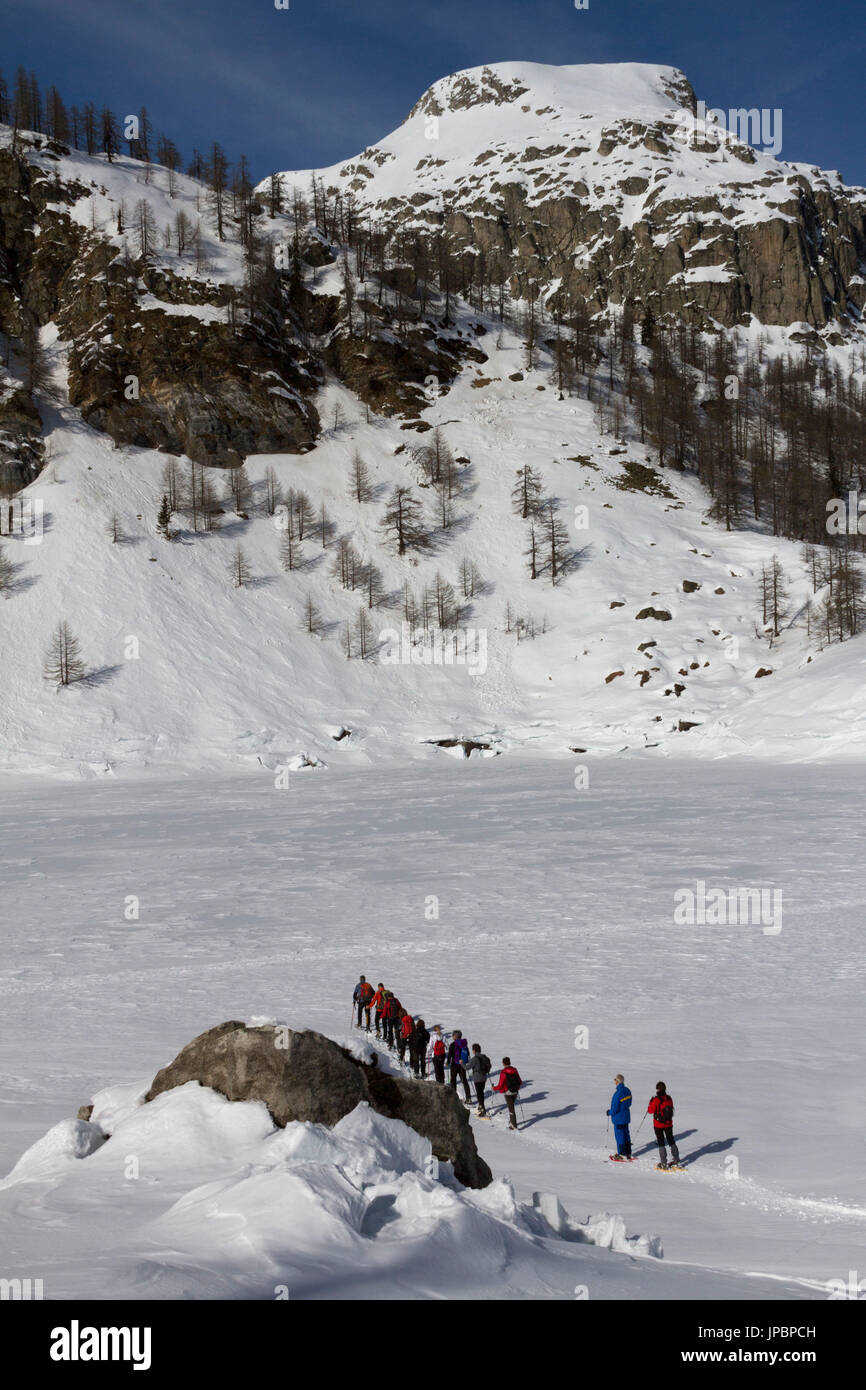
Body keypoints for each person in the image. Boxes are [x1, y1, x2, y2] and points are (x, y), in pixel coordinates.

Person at [648, 1081, 681, 1169]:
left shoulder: (656, 1100)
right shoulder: (669, 1098)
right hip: (668, 1123)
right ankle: (676, 1160)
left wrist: (650, 1103)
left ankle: (664, 1163)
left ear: (658, 1089)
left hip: (658, 1124)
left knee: (661, 1143)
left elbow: (650, 1111)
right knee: (671, 1141)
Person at [607, 1073, 633, 1161]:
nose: (614, 1082)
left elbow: (614, 1108)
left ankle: (622, 1154)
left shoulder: (617, 1094)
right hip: (625, 1116)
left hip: (619, 1118)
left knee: (620, 1136)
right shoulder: (627, 1091)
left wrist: (609, 1112)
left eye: (615, 1080)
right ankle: (628, 1152)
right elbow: (629, 1103)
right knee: (626, 1135)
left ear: (618, 1081)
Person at [492, 1056, 522, 1130]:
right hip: (515, 1092)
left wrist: (494, 1088)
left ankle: (513, 1125)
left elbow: (500, 1085)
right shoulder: (515, 1070)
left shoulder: (503, 1072)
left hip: (507, 1093)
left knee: (511, 1109)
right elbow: (520, 1081)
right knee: (511, 1107)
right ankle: (512, 1121)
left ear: (503, 1063)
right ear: (509, 1062)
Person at [447, 1029, 472, 1103]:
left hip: (454, 1064)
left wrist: (448, 1062)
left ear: (455, 1036)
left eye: (453, 1035)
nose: (452, 1036)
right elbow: (467, 1054)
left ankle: (454, 1097)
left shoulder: (452, 1044)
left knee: (453, 1081)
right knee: (464, 1081)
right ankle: (468, 1098)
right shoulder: (464, 1044)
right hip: (462, 1065)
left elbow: (450, 1055)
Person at [468, 1043, 492, 1116]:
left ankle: (482, 1109)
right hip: (484, 1077)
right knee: (481, 1093)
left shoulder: (474, 1059)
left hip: (477, 1078)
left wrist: (461, 1063)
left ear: (474, 1051)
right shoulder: (484, 1057)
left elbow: (467, 1068)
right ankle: (481, 1106)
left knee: (479, 1094)